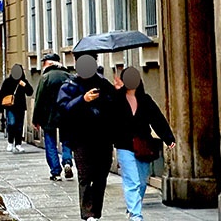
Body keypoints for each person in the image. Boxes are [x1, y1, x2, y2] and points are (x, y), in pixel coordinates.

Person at [112, 67, 175, 221]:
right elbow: (109, 121)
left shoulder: (145, 99)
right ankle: (136, 215)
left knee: (141, 182)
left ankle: (132, 206)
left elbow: (157, 119)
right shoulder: (116, 99)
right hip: (124, 145)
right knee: (131, 180)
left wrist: (168, 138)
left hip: (143, 145)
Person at [57, 55, 115, 221]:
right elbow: (63, 109)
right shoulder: (69, 86)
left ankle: (96, 212)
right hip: (80, 137)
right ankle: (88, 213)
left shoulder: (103, 84)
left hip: (103, 137)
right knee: (85, 176)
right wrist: (82, 100)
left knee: (101, 176)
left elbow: (115, 106)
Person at [32, 53, 74, 181]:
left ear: (48, 63)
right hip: (66, 114)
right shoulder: (69, 76)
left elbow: (39, 100)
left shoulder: (45, 77)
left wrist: (36, 119)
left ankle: (55, 171)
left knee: (50, 143)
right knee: (66, 140)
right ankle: (67, 161)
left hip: (48, 116)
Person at [0, 64, 34, 153]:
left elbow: (30, 92)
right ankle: (10, 142)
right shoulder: (7, 81)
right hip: (10, 106)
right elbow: (2, 94)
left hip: (20, 107)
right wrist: (1, 107)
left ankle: (18, 144)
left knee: (19, 126)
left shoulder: (23, 81)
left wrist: (25, 85)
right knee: (11, 123)